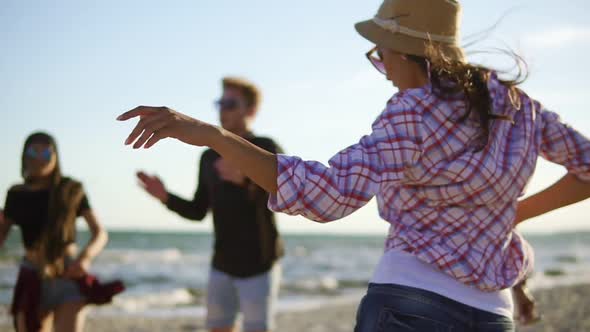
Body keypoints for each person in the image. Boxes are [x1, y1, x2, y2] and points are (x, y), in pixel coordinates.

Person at [116, 0, 590, 330]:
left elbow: (328, 196)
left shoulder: (413, 110)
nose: (381, 67)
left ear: (409, 53)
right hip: (492, 315)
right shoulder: (518, 106)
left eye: (380, 55)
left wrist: (210, 134)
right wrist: (513, 213)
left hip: (410, 304)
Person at [135, 77, 284, 332]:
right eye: (220, 103)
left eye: (230, 104)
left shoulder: (265, 148)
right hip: (222, 264)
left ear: (251, 110)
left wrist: (246, 180)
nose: (222, 109)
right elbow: (198, 210)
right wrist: (165, 197)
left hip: (260, 262)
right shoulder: (209, 155)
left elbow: (283, 196)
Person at [0, 132, 124, 332]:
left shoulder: (71, 189)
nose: (39, 158)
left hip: (67, 273)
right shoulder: (16, 193)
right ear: (24, 156)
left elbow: (100, 233)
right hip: (32, 275)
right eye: (33, 151)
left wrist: (85, 259)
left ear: (55, 157)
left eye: (46, 153)